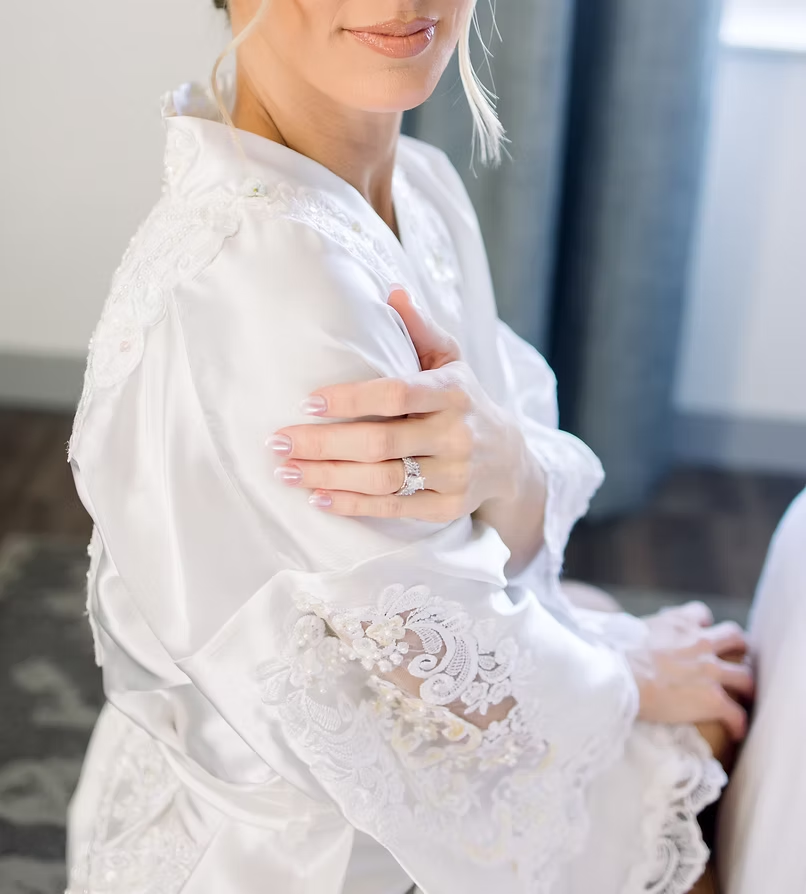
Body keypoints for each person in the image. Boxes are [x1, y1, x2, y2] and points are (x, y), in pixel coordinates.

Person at [64, 2, 754, 892]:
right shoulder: (278, 283)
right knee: (710, 756)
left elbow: (500, 507)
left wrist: (502, 458)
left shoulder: (417, 185)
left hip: (416, 714)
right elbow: (433, 687)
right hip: (320, 844)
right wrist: (621, 676)